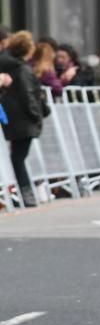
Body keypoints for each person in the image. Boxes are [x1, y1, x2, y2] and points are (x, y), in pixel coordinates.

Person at [0, 31, 48, 207]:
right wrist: (37, 115)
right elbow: (28, 95)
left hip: (12, 117)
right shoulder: (22, 69)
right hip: (23, 119)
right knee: (18, 157)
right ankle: (26, 193)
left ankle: (25, 192)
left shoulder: (10, 65)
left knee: (17, 157)